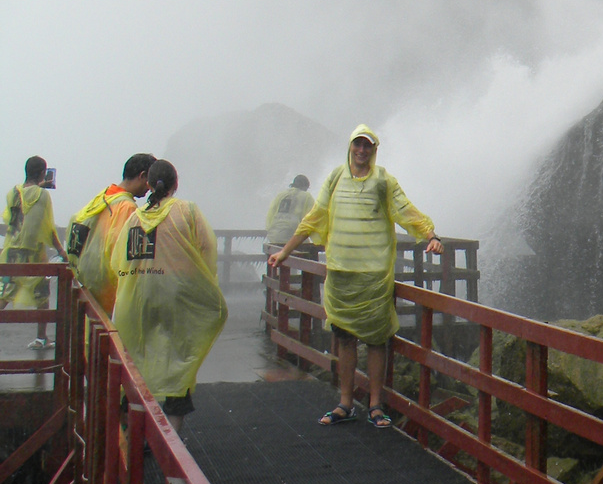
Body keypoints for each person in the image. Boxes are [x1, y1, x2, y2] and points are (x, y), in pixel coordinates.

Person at [268, 126, 442, 429]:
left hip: (373, 276)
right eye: (357, 145)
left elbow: (405, 211)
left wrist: (431, 235)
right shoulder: (336, 178)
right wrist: (285, 252)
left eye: (367, 146)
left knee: (376, 340)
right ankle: (345, 403)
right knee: (344, 338)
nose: (362, 151)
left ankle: (375, 405)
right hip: (340, 273)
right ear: (350, 147)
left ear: (374, 150)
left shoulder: (384, 182)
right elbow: (315, 217)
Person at [108, 158, 228, 433]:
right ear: (176, 184)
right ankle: (173, 445)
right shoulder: (186, 210)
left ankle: (133, 437)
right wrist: (203, 286)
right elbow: (206, 252)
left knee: (136, 362)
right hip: (176, 299)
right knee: (177, 362)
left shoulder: (135, 218)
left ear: (149, 184)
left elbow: (118, 262)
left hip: (136, 301)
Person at [67, 153, 155, 314]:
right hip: (107, 289)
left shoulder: (104, 196)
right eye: (149, 182)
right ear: (142, 176)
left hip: (87, 281)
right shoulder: (126, 207)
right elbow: (123, 254)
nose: (149, 189)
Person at [1, 157, 67, 348]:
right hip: (33, 255)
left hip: (11, 252)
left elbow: (9, 218)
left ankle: (41, 338)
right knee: (42, 296)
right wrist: (61, 250)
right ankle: (41, 338)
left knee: (5, 293)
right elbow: (48, 227)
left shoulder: (13, 193)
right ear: (42, 173)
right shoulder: (42, 196)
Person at [264, 174, 315, 248]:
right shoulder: (307, 197)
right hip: (293, 237)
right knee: (309, 251)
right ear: (305, 187)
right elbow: (312, 219)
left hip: (274, 237)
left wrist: (270, 230)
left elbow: (270, 214)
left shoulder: (281, 195)